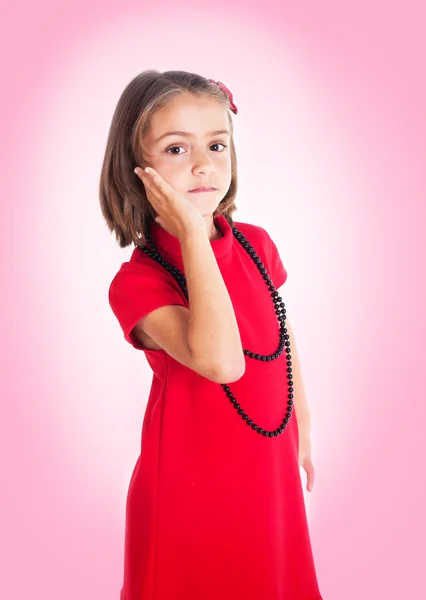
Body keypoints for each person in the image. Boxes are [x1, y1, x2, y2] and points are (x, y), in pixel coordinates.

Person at [99, 69, 323, 600]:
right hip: (189, 488)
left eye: (216, 144)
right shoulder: (139, 282)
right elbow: (223, 362)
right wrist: (193, 235)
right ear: (138, 171)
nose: (203, 165)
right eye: (176, 149)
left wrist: (302, 424)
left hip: (266, 468)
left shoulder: (257, 244)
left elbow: (278, 333)